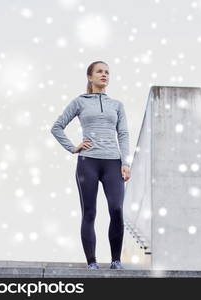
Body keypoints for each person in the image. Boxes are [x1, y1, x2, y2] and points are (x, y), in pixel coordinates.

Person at [50, 60, 131, 270]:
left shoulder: (117, 105)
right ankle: (92, 262)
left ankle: (116, 260)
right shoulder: (80, 102)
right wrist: (73, 147)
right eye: (99, 72)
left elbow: (123, 134)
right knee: (90, 212)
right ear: (90, 76)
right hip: (88, 162)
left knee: (116, 209)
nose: (104, 75)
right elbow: (57, 127)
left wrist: (125, 162)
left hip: (113, 162)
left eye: (107, 72)